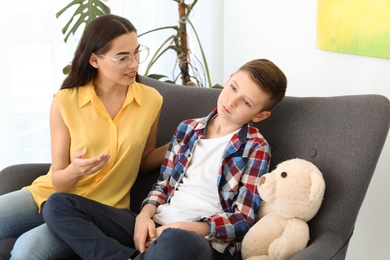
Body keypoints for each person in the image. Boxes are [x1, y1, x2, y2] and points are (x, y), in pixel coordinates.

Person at [42, 58, 288, 260]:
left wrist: (181, 228)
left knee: (177, 243)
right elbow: (163, 185)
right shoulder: (187, 129)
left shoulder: (256, 148)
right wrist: (144, 216)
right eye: (234, 87)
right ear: (230, 77)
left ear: (261, 114)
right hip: (155, 222)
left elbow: (243, 219)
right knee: (57, 204)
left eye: (246, 102)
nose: (231, 101)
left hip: (196, 239)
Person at [0, 14, 168, 259]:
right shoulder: (65, 101)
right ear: (94, 60)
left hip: (99, 211)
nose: (134, 64)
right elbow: (58, 179)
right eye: (122, 58)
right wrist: (76, 171)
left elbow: (144, 161)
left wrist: (180, 143)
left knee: (27, 250)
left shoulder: (151, 100)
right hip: (52, 194)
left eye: (136, 52)